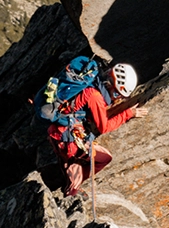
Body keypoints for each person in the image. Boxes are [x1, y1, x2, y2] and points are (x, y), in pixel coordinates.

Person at [42, 56, 145, 197]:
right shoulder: (96, 97)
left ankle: (66, 175)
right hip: (68, 140)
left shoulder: (91, 82)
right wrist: (129, 113)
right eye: (117, 94)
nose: (117, 99)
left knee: (71, 160)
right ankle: (71, 190)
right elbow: (105, 127)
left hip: (58, 133)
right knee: (104, 158)